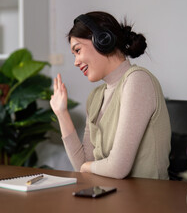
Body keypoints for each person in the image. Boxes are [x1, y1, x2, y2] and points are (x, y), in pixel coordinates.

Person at [50, 11, 171, 180]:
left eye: (77, 50)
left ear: (103, 40)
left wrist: (86, 167)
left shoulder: (137, 80)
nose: (76, 62)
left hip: (146, 200)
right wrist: (62, 114)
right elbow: (82, 166)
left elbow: (118, 168)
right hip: (110, 195)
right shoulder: (95, 97)